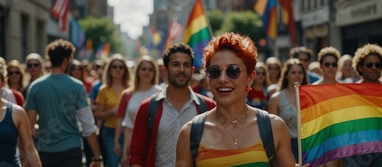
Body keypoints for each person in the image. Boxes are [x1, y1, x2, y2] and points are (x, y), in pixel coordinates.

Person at [175, 32, 296, 166]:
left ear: (250, 78)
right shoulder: (189, 133)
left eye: (233, 71)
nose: (222, 79)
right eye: (214, 71)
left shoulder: (274, 127)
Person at [129, 43, 216, 167]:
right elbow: (137, 153)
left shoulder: (208, 107)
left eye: (186, 65)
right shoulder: (147, 107)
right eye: (175, 64)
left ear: (192, 70)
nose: (181, 69)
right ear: (165, 69)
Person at [25, 39, 102, 167]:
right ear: (66, 60)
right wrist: (97, 157)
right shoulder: (77, 86)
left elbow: (28, 126)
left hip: (45, 150)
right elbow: (88, 125)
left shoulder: (35, 86)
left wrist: (27, 155)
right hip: (71, 150)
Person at [342, 43, 382, 166]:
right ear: (360, 67)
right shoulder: (350, 92)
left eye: (378, 64)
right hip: (356, 150)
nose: (374, 68)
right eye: (369, 64)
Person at [115, 55, 162, 166]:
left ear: (155, 72)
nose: (147, 72)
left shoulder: (161, 93)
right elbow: (128, 126)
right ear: (137, 71)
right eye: (143, 69)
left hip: (156, 146)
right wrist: (125, 151)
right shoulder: (128, 94)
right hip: (135, 147)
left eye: (150, 69)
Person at [268, 58, 309, 163]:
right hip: (286, 146)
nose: (297, 75)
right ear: (286, 75)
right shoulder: (276, 98)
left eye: (300, 72)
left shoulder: (309, 97)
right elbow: (271, 129)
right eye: (293, 72)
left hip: (308, 145)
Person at [94, 55, 132, 167]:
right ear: (109, 69)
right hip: (110, 131)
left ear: (125, 70)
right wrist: (112, 111)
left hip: (129, 131)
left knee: (129, 164)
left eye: (121, 67)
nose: (118, 70)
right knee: (113, 164)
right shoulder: (103, 90)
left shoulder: (131, 88)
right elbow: (98, 115)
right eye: (114, 67)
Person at [313, 47, 341, 167]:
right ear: (321, 66)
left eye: (334, 64)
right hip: (318, 137)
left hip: (338, 138)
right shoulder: (312, 90)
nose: (331, 67)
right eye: (327, 64)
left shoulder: (344, 88)